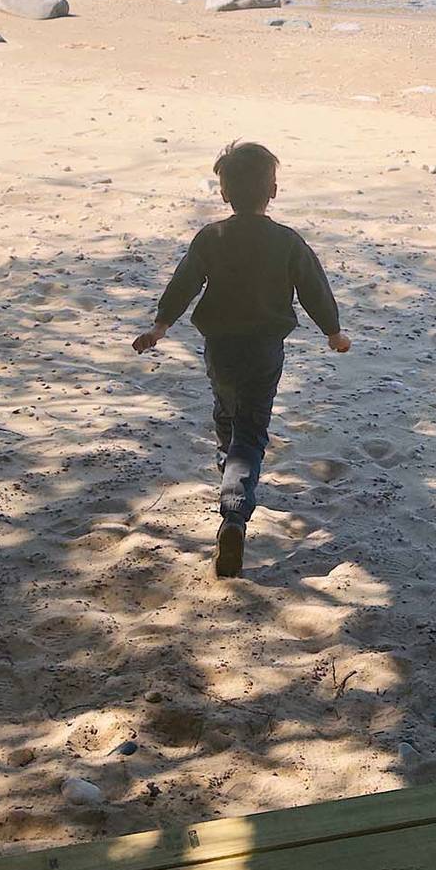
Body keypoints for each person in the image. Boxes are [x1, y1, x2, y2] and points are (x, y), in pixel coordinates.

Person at [133, 140, 350, 577]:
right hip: (265, 349)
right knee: (252, 432)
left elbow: (184, 284)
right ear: (272, 190)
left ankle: (227, 466)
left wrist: (160, 326)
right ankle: (235, 510)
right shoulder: (287, 242)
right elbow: (314, 289)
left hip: (220, 347)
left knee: (227, 412)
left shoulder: (211, 237)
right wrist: (333, 331)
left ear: (224, 193)